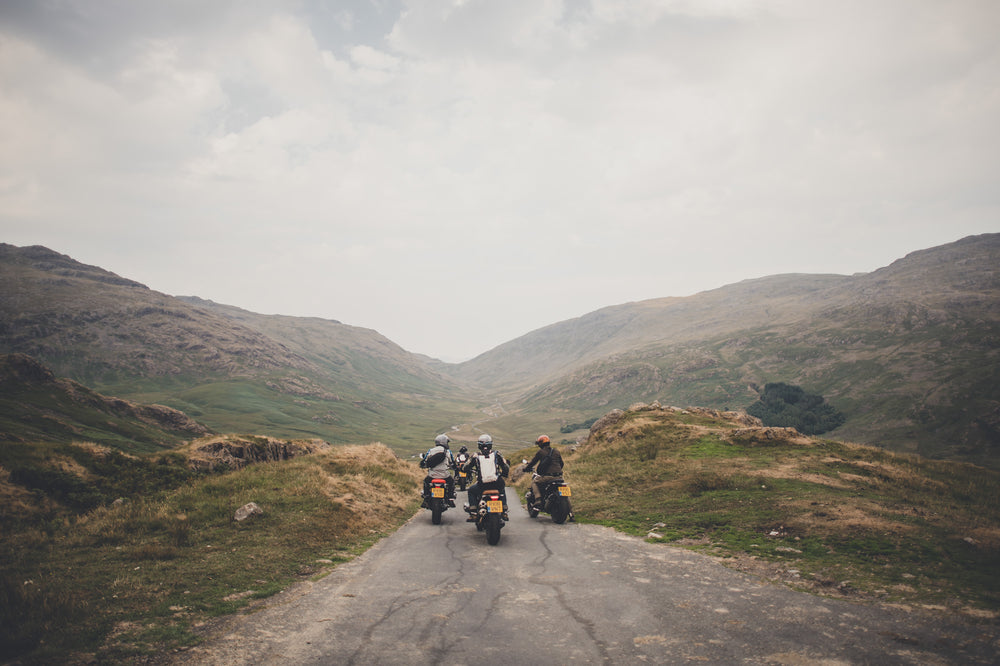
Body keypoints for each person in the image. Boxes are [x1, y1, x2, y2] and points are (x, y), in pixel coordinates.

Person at [524, 435, 573, 519]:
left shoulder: (541, 452)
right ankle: (571, 513)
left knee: (535, 482)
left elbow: (533, 462)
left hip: (547, 477)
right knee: (563, 492)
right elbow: (561, 464)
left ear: (541, 444)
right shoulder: (556, 451)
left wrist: (526, 469)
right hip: (559, 478)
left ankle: (538, 499)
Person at [464, 434, 509, 520]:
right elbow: (505, 467)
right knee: (502, 488)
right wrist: (504, 474)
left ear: (479, 445)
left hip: (482, 485)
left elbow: (465, 467)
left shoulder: (475, 456)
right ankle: (504, 510)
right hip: (497, 484)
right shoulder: (497, 454)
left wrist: (465, 470)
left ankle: (473, 512)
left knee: (471, 491)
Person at [420, 433, 456, 507]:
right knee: (452, 482)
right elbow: (452, 462)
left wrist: (424, 465)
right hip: (445, 475)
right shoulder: (448, 452)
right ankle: (450, 498)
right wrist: (453, 467)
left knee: (426, 481)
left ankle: (426, 498)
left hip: (432, 475)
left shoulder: (431, 450)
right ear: (444, 442)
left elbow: (424, 461)